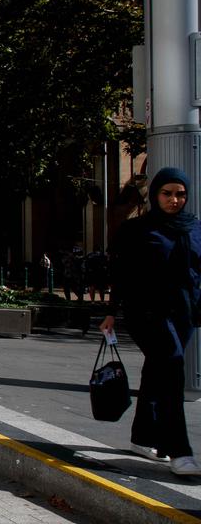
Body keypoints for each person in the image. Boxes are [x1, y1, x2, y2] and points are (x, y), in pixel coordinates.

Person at [101, 167, 201, 476]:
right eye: (167, 194)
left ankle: (143, 437)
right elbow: (121, 274)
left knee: (158, 371)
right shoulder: (138, 230)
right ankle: (179, 451)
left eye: (180, 194)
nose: (174, 200)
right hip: (146, 313)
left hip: (183, 313)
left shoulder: (194, 228)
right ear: (155, 195)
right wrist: (111, 312)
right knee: (171, 368)